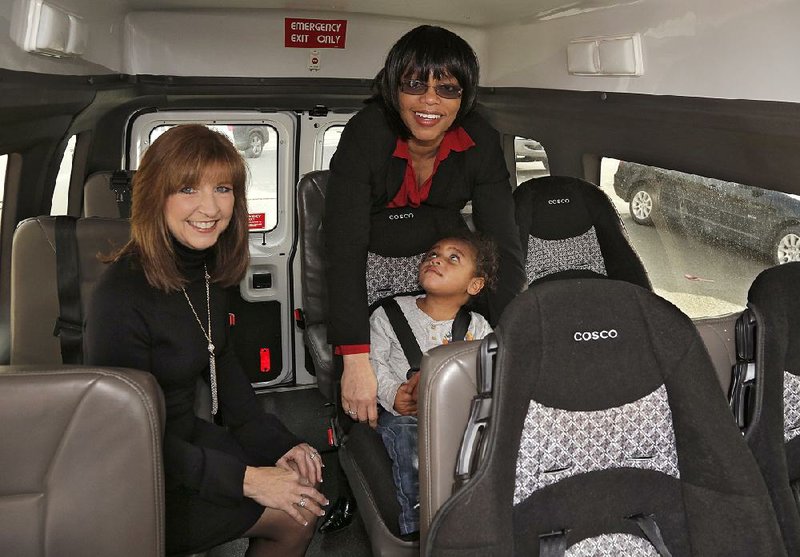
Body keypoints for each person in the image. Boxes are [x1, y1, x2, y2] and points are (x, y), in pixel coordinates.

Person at [85, 124, 328, 556]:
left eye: (222, 188)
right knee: (298, 514)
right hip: (141, 467)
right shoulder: (120, 296)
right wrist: (249, 480)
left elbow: (224, 362)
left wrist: (280, 443)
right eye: (187, 189)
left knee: (301, 482)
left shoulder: (204, 268)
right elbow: (125, 436)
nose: (210, 207)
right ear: (155, 196)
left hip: (183, 440)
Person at [324, 24, 525, 428]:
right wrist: (356, 360)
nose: (430, 100)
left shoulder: (481, 141)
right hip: (368, 271)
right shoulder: (365, 133)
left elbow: (501, 242)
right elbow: (343, 249)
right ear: (393, 89)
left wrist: (511, 339)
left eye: (448, 88)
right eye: (415, 84)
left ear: (464, 96)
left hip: (442, 276)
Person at [373, 233, 497, 537]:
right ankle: (420, 527)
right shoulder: (388, 314)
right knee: (407, 439)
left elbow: (492, 372)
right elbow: (373, 366)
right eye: (432, 254)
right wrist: (394, 396)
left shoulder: (478, 326)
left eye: (453, 258)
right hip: (406, 414)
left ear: (474, 285)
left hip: (462, 416)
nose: (436, 259)